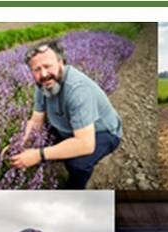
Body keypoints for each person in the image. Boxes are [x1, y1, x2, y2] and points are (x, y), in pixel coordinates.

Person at [9, 42, 122, 189]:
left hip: (101, 132)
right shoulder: (43, 84)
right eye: (37, 69)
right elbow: (36, 120)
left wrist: (38, 154)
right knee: (42, 137)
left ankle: (74, 189)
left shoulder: (78, 89)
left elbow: (85, 144)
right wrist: (21, 143)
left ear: (60, 62)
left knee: (77, 163)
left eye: (47, 66)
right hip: (68, 127)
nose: (43, 74)